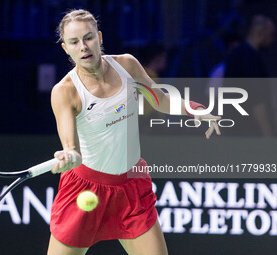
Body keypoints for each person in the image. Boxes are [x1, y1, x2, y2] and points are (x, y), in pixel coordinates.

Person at [48, 9, 221, 255]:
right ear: (66, 48)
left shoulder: (127, 65)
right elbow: (71, 148)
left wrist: (194, 109)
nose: (83, 47)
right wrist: (68, 157)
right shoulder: (65, 91)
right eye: (74, 42)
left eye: (88, 38)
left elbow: (159, 100)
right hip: (85, 190)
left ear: (99, 37)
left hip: (131, 187)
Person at [224, 15, 276, 136]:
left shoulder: (235, 55)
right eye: (271, 34)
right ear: (261, 33)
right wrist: (267, 133)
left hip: (235, 130)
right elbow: (256, 99)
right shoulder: (250, 59)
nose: (272, 40)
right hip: (251, 131)